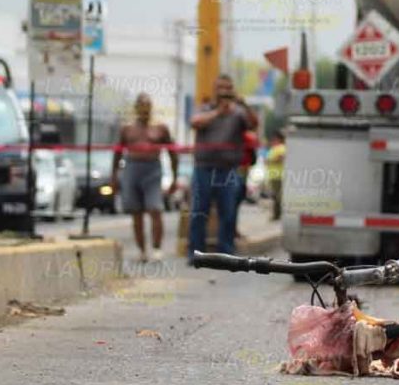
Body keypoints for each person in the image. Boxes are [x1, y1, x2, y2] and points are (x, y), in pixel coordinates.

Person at [188, 75, 258, 263]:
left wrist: (244, 104)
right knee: (198, 212)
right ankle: (196, 254)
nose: (224, 92)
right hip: (204, 168)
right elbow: (195, 122)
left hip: (228, 170)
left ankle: (226, 253)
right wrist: (219, 111)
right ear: (214, 89)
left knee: (228, 212)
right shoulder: (205, 108)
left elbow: (253, 124)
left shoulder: (239, 112)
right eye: (221, 88)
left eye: (228, 88)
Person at [111, 93, 178, 263]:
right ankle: (142, 251)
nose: (144, 109)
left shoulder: (160, 128)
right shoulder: (127, 129)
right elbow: (117, 154)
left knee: (155, 208)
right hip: (132, 169)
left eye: (147, 105)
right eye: (141, 105)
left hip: (152, 169)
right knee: (136, 212)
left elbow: (172, 153)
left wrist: (174, 178)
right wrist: (114, 177)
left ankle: (156, 248)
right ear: (136, 108)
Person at [265, 130, 286, 221]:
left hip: (278, 176)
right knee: (275, 196)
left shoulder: (281, 147)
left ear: (279, 139)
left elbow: (281, 158)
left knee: (277, 196)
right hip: (273, 175)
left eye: (274, 139)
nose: (272, 140)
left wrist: (271, 161)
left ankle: (277, 214)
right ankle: (277, 214)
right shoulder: (274, 148)